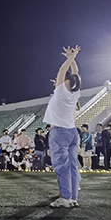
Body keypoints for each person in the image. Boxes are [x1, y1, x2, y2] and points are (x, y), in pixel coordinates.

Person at [43, 46, 82, 208]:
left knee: (62, 166)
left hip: (59, 132)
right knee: (72, 165)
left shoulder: (61, 92)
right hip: (72, 133)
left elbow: (62, 70)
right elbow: (75, 74)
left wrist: (71, 57)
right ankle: (73, 198)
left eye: (65, 80)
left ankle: (65, 198)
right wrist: (72, 59)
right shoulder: (75, 93)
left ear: (67, 83)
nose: (61, 80)